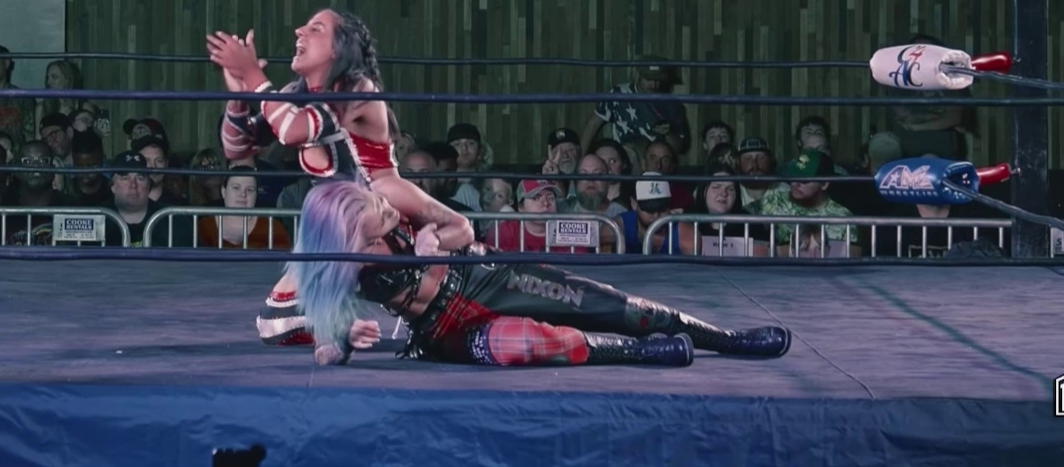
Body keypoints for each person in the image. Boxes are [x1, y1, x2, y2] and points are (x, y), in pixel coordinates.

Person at [295, 181, 791, 368]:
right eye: (377, 216)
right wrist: (344, 339)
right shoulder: (341, 265)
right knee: (524, 345)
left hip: (485, 275)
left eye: (382, 206)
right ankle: (641, 354)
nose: (386, 211)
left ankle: (729, 340)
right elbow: (325, 344)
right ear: (350, 234)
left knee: (615, 306)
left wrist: (434, 241)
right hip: (445, 329)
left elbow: (463, 226)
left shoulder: (396, 198)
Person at [207, 9, 473, 346]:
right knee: (274, 322)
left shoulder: (357, 89)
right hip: (335, 224)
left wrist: (253, 75)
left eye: (315, 28)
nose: (299, 31)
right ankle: (341, 329)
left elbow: (293, 131)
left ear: (338, 49)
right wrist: (239, 96)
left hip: (377, 202)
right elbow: (237, 148)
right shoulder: (297, 93)